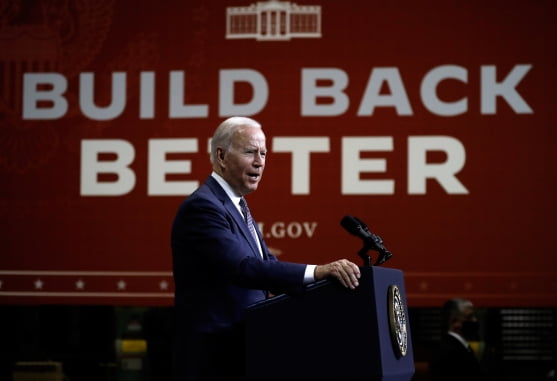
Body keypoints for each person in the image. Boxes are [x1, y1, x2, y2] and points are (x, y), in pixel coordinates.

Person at [171, 116, 361, 381]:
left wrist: (327, 287)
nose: (260, 162)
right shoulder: (203, 207)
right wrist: (318, 272)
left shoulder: (237, 205)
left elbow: (267, 266)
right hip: (213, 359)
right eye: (250, 152)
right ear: (221, 156)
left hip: (244, 351)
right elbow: (244, 268)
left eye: (263, 153)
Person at [430, 298, 486, 381]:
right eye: (469, 317)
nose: (475, 320)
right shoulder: (450, 352)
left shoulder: (460, 347)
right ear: (455, 322)